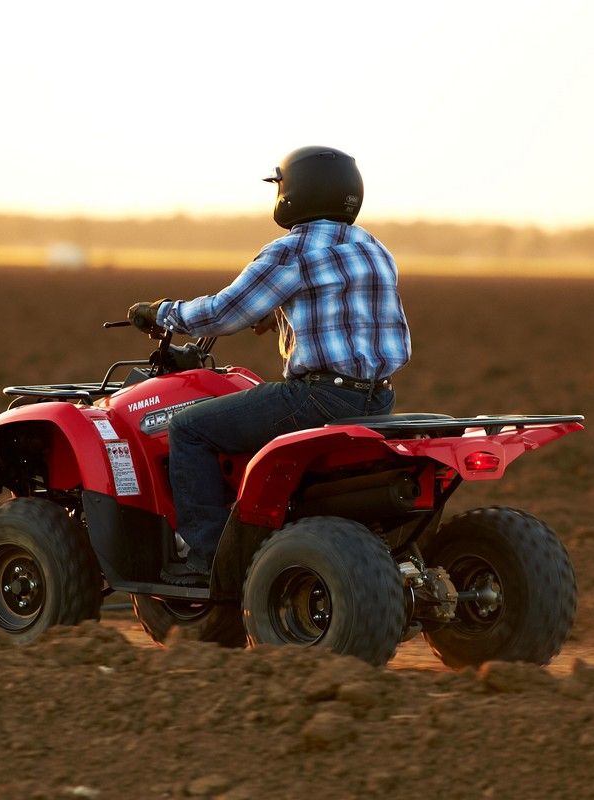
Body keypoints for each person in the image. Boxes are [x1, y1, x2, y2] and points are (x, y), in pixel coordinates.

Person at [128, 145, 411, 586]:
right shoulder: (373, 247)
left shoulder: (292, 251)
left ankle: (210, 559)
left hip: (319, 398)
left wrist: (163, 311)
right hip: (379, 398)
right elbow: (342, 306)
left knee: (189, 430)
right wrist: (273, 314)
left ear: (293, 193)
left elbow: (223, 312)